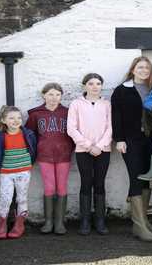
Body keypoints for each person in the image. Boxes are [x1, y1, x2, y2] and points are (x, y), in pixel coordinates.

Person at [111, 56, 152, 242]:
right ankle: (138, 226)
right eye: (140, 67)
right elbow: (116, 116)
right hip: (130, 141)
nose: (144, 70)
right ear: (133, 69)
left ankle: (143, 220)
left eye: (147, 68)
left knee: (147, 178)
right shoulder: (122, 90)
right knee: (136, 178)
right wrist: (119, 139)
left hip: (151, 140)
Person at [25, 83, 74, 235]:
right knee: (49, 187)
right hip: (44, 155)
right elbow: (29, 135)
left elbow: (74, 132)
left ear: (61, 96)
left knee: (62, 187)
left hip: (64, 155)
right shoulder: (36, 114)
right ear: (44, 95)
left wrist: (70, 148)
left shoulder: (68, 112)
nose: (54, 98)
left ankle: (59, 223)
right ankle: (48, 222)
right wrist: (34, 151)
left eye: (57, 95)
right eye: (51, 94)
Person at [67, 73, 112, 235]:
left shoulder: (106, 104)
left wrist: (99, 146)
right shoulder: (76, 104)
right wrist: (88, 146)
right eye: (91, 83)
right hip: (83, 150)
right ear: (84, 86)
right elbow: (71, 128)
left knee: (99, 183)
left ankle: (100, 220)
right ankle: (85, 221)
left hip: (103, 150)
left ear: (102, 86)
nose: (95, 86)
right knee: (86, 183)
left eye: (98, 83)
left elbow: (110, 128)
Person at [0, 106, 37, 239]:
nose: (16, 121)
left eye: (18, 118)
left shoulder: (28, 134)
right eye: (11, 118)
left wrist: (27, 165)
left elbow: (33, 151)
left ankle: (19, 224)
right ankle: (2, 223)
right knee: (5, 198)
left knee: (21, 198)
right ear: (4, 120)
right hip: (6, 173)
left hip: (23, 172)